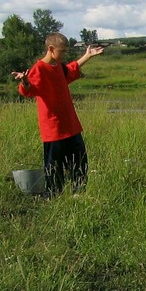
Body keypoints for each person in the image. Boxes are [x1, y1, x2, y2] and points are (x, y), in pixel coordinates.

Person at [13, 33, 104, 196]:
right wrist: (25, 82)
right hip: (53, 129)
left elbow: (71, 70)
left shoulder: (59, 67)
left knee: (80, 164)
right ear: (51, 49)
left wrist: (87, 56)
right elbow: (29, 90)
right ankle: (53, 197)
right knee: (54, 169)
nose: (64, 55)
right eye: (62, 51)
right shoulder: (39, 68)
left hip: (71, 126)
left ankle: (78, 195)